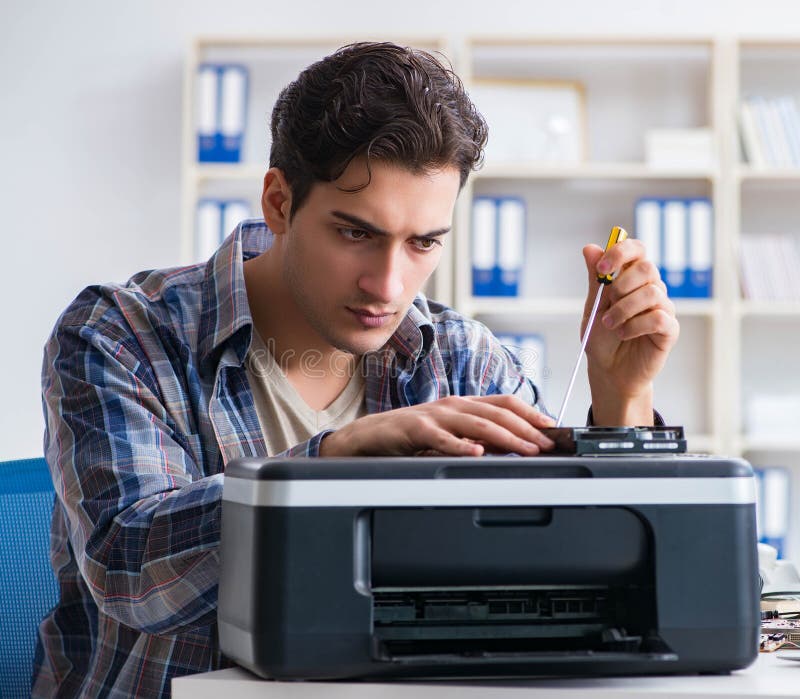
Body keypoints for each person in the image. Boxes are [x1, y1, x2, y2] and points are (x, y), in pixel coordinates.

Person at [33, 42, 679, 697]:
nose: (388, 284)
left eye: (423, 241)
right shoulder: (121, 334)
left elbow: (583, 577)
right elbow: (131, 570)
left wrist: (622, 394)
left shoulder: (460, 357)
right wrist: (332, 462)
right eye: (355, 233)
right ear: (279, 202)